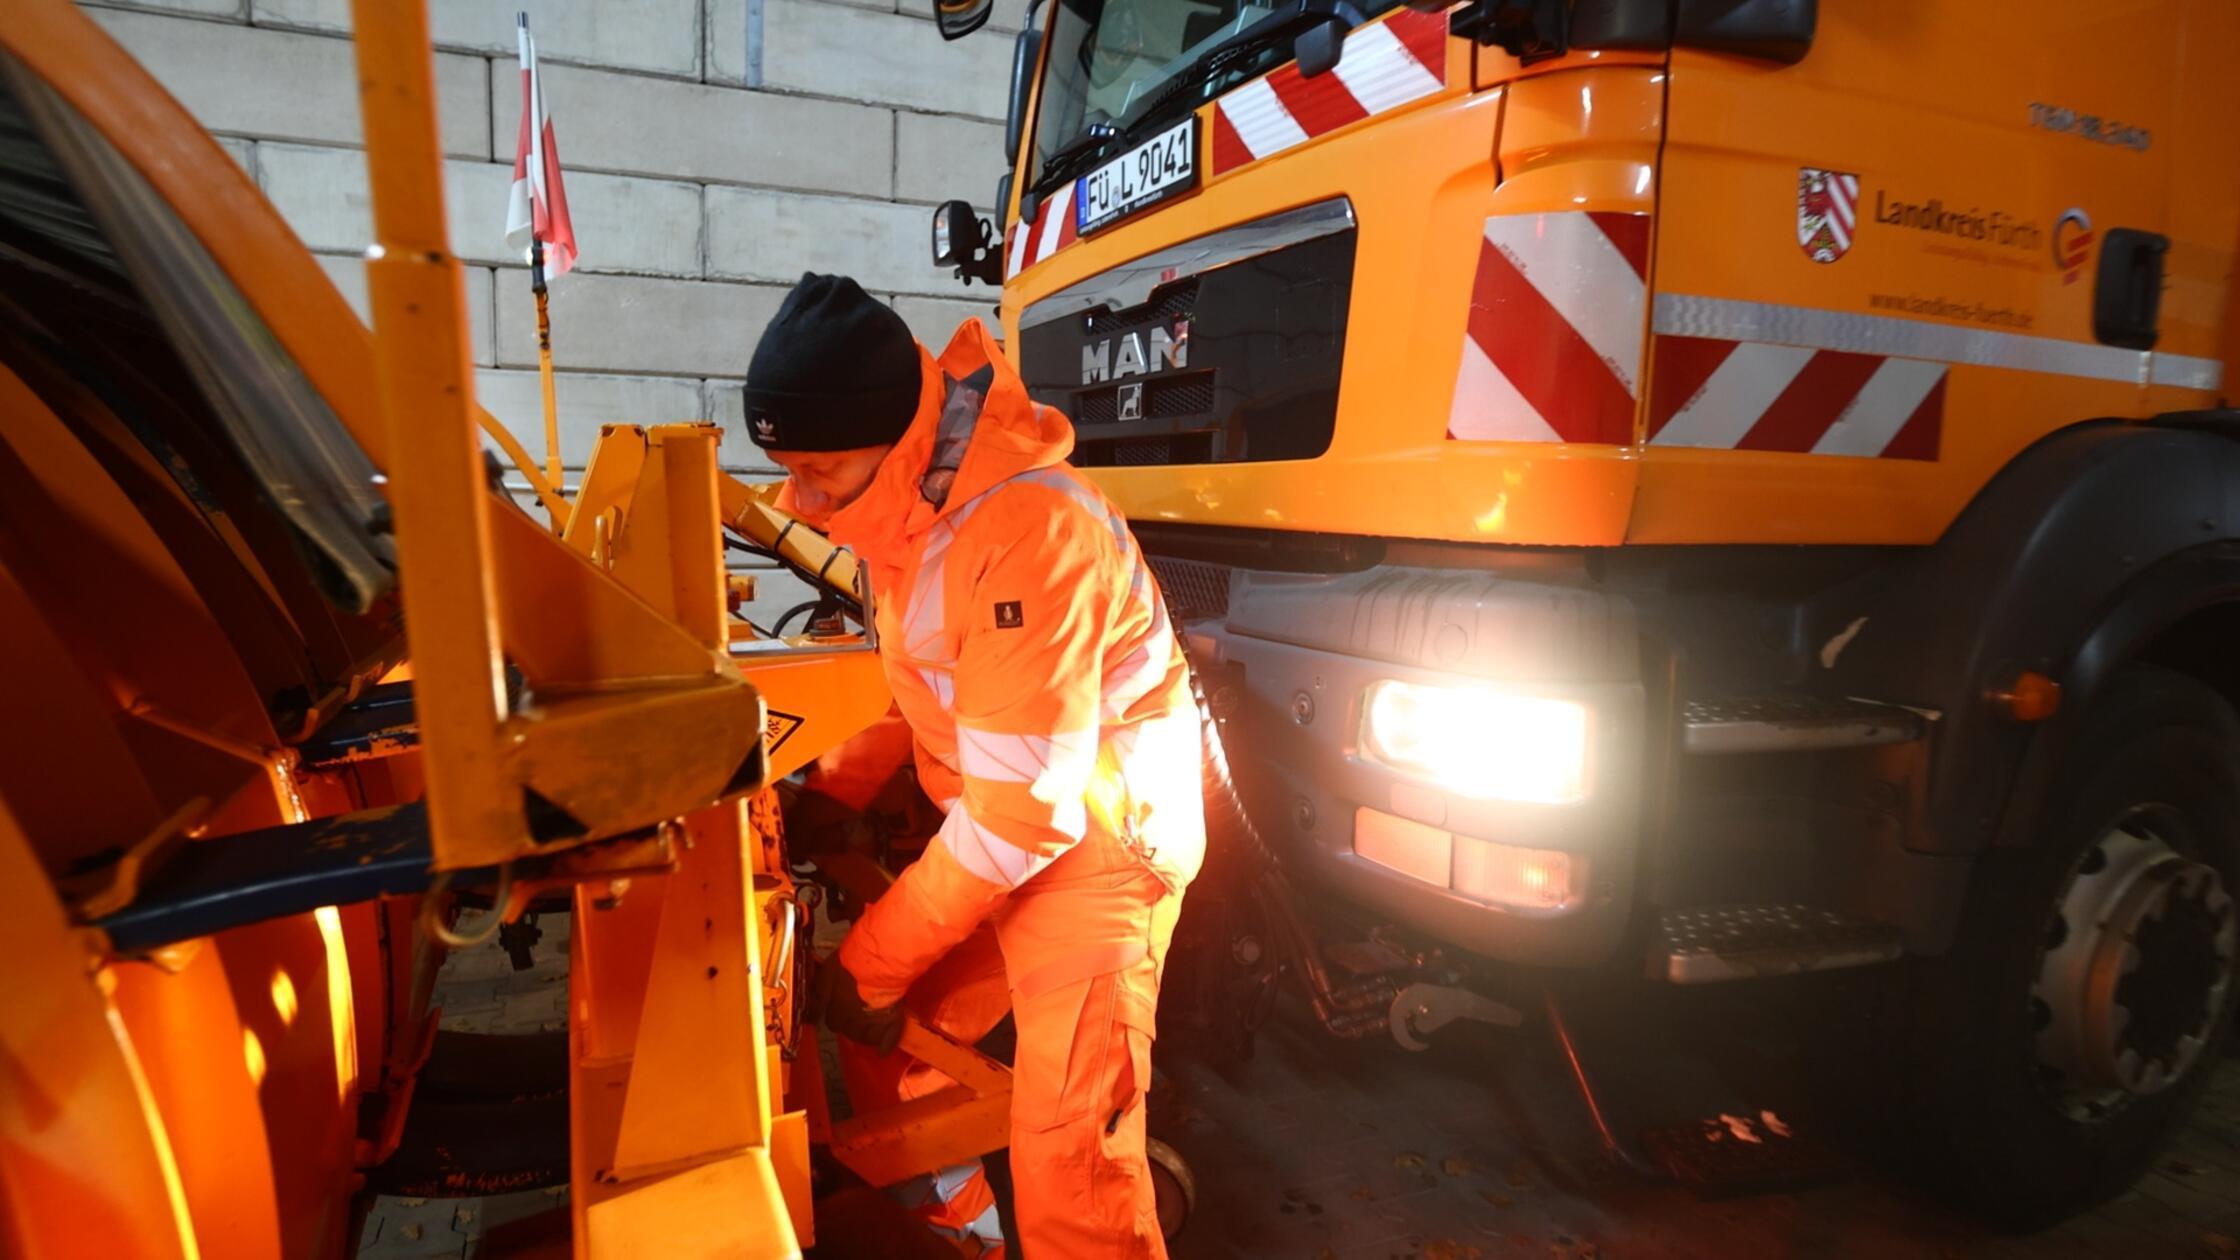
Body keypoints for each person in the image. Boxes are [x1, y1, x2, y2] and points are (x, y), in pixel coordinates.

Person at [747, 273, 1204, 1258]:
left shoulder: (1027, 531)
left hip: (1103, 851)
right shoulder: (909, 514)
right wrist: (829, 793)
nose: (801, 503)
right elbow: (924, 687)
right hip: (1015, 833)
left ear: (897, 438)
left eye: (820, 472)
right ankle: (967, 1240)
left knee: (1071, 1164)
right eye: (787, 470)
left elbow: (1023, 815)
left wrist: (870, 959)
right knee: (894, 1033)